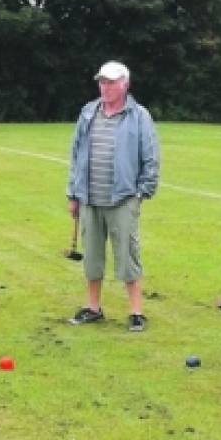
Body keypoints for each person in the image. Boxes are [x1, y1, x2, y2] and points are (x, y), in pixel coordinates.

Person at [66, 61, 160, 331]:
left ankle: (136, 312)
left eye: (110, 82)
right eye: (102, 82)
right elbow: (76, 154)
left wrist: (142, 192)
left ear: (124, 84)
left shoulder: (139, 116)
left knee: (128, 254)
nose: (104, 87)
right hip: (89, 197)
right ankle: (92, 307)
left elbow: (150, 157)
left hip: (123, 198)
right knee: (92, 255)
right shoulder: (88, 112)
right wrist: (73, 193)